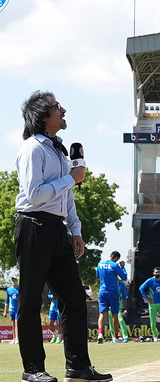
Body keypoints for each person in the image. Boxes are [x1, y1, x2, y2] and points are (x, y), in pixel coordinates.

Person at [14, 91, 112, 381]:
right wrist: (72, 178)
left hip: (57, 228)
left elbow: (65, 195)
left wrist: (76, 229)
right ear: (44, 115)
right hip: (33, 225)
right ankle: (33, 370)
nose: (64, 110)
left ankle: (78, 367)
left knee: (73, 299)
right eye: (57, 107)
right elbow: (35, 194)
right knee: (31, 302)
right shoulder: (33, 149)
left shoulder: (58, 150)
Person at [96, 251, 127, 344]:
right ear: (116, 258)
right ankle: (115, 337)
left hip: (102, 291)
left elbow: (97, 276)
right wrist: (122, 267)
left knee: (102, 314)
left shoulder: (100, 263)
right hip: (112, 291)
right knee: (115, 314)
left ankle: (100, 334)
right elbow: (124, 277)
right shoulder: (114, 265)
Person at [139, 267, 160, 342]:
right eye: (156, 272)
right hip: (152, 304)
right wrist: (147, 297)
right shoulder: (150, 280)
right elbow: (141, 288)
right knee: (153, 321)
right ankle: (155, 336)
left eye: (158, 272)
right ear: (153, 273)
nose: (157, 273)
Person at [3, 277, 19, 344]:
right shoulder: (9, 290)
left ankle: (17, 338)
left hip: (18, 309)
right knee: (13, 324)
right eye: (12, 280)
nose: (13, 281)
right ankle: (14, 338)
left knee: (16, 323)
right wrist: (5, 311)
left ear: (17, 281)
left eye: (14, 280)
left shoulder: (20, 289)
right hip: (11, 309)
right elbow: (7, 301)